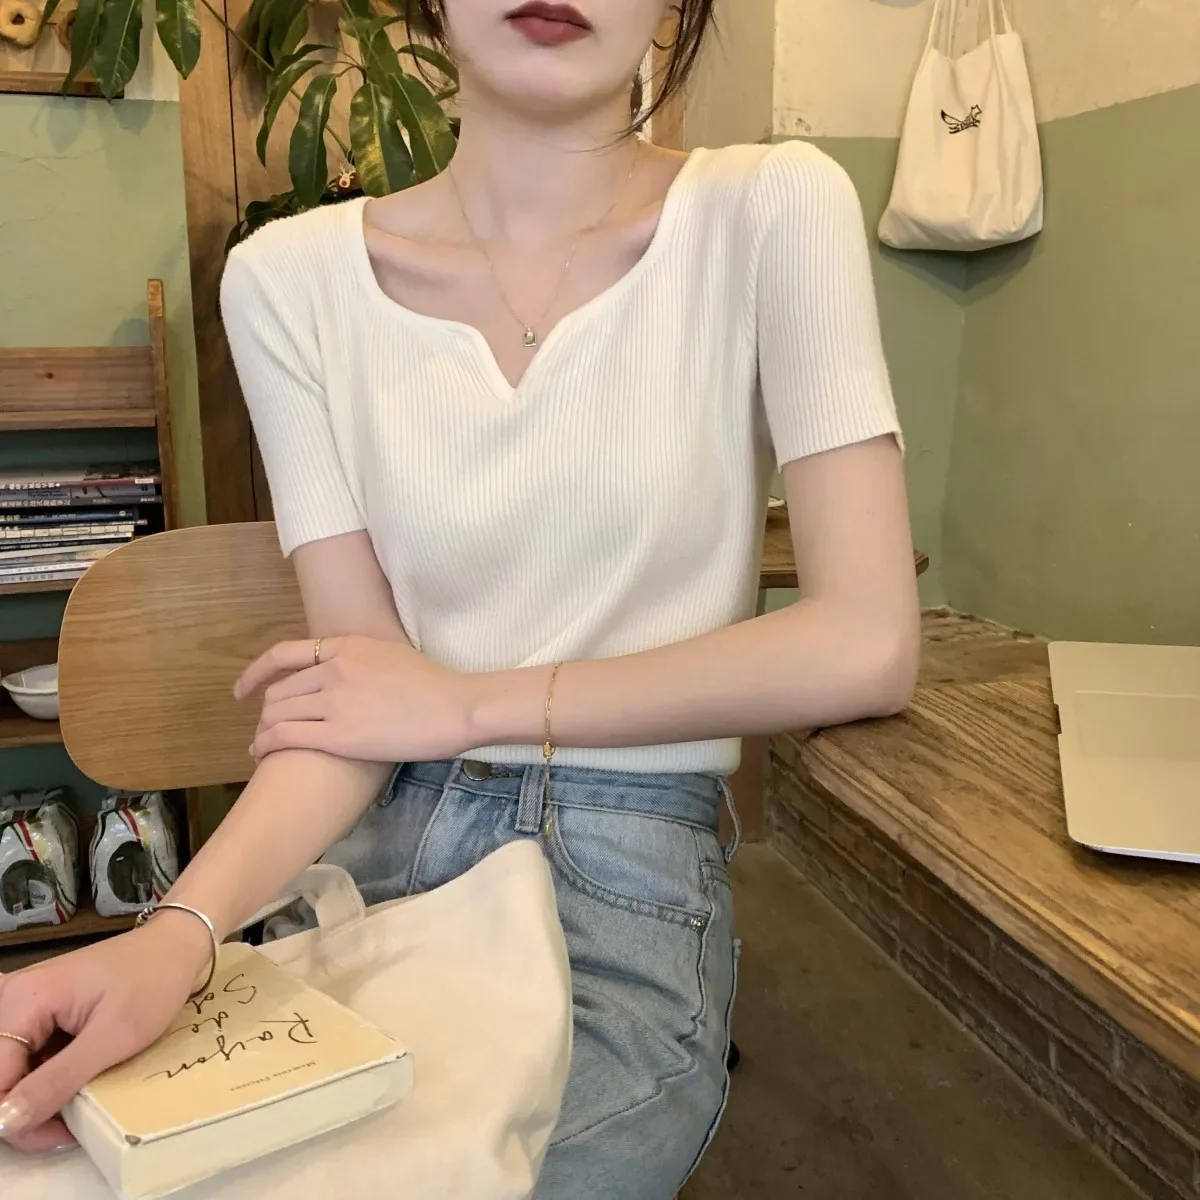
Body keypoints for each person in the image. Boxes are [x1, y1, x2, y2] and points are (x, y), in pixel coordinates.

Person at [0, 0, 921, 1194]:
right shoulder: (287, 282)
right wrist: (174, 936)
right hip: (375, 861)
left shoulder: (773, 209)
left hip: (627, 865)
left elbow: (867, 641)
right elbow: (358, 716)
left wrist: (464, 704)